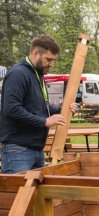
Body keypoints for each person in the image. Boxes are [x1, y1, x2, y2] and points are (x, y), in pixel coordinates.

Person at [0, 35, 78, 174]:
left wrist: (63, 109)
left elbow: (40, 108)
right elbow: (11, 109)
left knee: (37, 195)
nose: (52, 64)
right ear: (36, 52)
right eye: (49, 59)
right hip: (18, 150)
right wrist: (44, 121)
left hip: (36, 150)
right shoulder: (18, 73)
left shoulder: (37, 75)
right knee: (17, 194)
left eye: (54, 60)